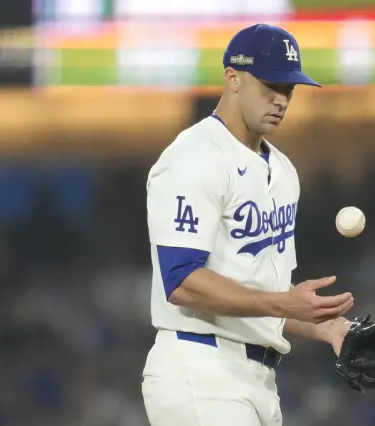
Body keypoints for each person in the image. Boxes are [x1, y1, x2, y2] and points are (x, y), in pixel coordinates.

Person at [141, 23, 354, 426]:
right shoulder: (194, 157)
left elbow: (262, 296)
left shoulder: (285, 171)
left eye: (288, 88)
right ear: (233, 78)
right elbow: (181, 281)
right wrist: (283, 303)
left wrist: (324, 327)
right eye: (270, 84)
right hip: (199, 367)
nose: (281, 99)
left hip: (257, 381)